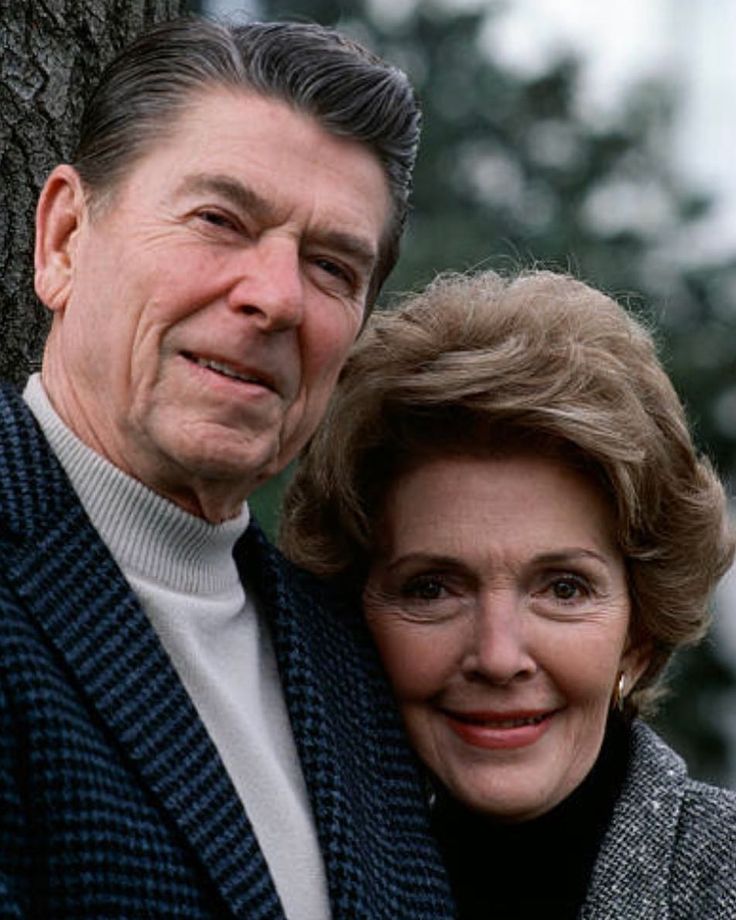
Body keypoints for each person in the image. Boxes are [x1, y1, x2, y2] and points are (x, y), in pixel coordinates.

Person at [0, 17, 456, 919]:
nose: (276, 298)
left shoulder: (354, 661)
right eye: (218, 220)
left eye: (331, 267)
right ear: (63, 239)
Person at [280, 269, 736, 919]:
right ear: (352, 611)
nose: (498, 657)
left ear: (638, 635)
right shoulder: (272, 871)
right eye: (432, 588)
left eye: (564, 588)